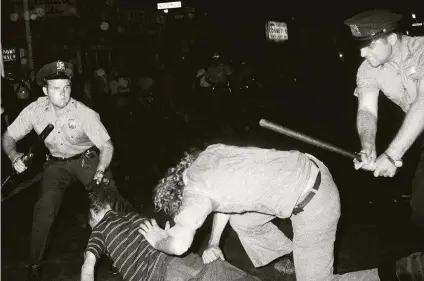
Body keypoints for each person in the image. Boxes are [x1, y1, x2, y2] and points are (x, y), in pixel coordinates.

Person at [138, 144, 380, 281]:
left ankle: (390, 274)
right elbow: (223, 203)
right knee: (243, 222)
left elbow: (179, 245)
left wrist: (160, 240)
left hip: (315, 202)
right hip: (309, 170)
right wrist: (213, 243)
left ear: (181, 198)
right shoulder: (208, 156)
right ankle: (295, 255)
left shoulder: (195, 191)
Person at [1, 60, 131, 281]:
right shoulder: (35, 110)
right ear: (45, 90)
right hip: (56, 164)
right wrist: (14, 156)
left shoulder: (84, 113)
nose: (64, 93)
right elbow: (8, 136)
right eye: (56, 88)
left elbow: (106, 146)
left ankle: (121, 257)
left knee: (110, 207)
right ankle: (34, 266)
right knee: (44, 207)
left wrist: (100, 171)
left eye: (67, 87)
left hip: (88, 161)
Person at [81, 180, 260, 281]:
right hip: (179, 259)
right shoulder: (133, 217)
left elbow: (88, 264)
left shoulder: (99, 230)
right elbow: (164, 238)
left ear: (93, 215)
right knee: (221, 274)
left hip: (154, 277)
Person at [344, 10, 424, 229]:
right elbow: (367, 110)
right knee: (420, 213)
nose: (362, 53)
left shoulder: (421, 51)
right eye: (360, 45)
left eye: (369, 45)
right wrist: (368, 147)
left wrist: (392, 154)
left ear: (391, 38)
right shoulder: (368, 69)